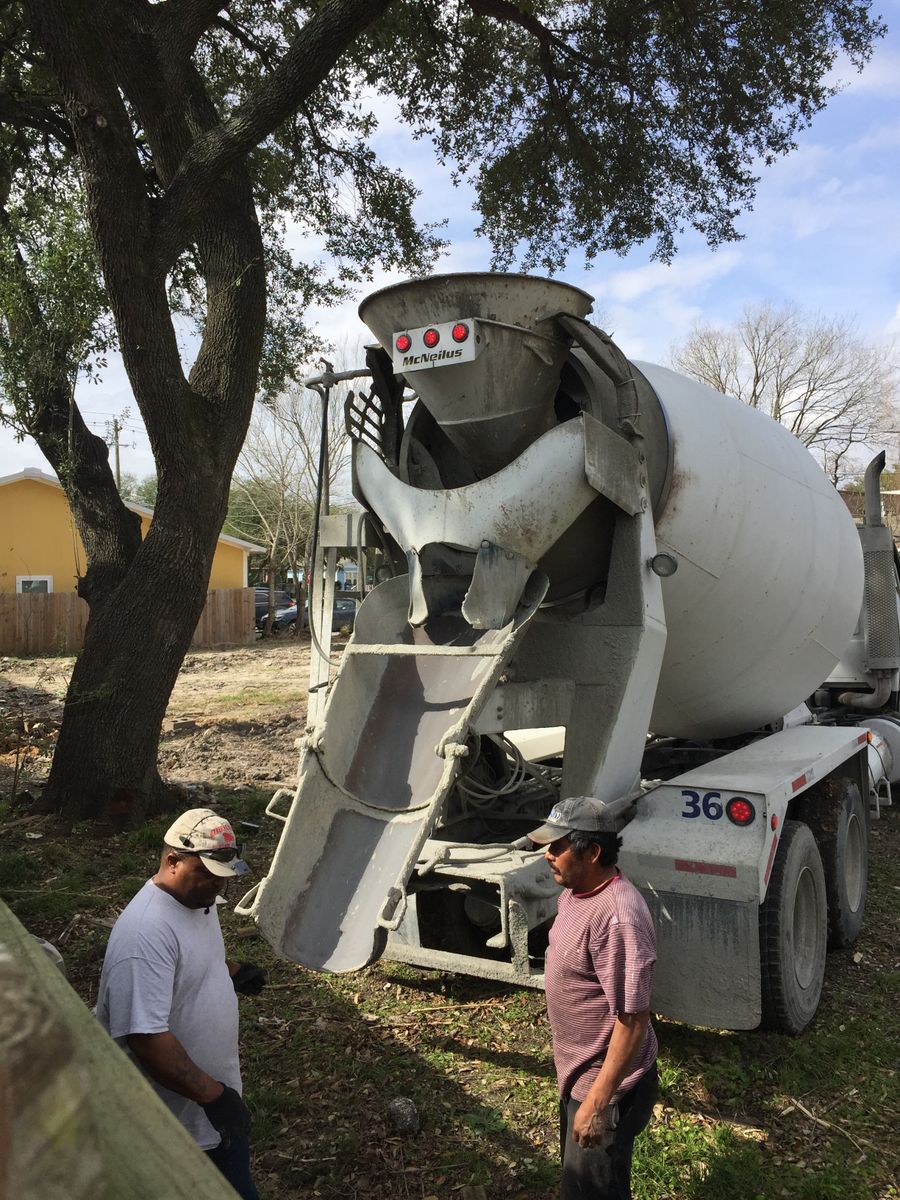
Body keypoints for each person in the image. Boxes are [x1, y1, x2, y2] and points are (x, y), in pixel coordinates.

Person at [96, 808, 267, 1200]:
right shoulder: (145, 935)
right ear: (173, 860)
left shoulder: (195, 899)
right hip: (175, 1127)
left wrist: (231, 971)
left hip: (207, 1118)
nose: (218, 887)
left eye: (223, 877)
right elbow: (147, 1037)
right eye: (208, 873)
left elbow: (187, 958)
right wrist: (214, 1097)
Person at [529, 795, 658, 1200]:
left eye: (558, 846)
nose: (547, 855)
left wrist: (598, 1103)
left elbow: (633, 1020)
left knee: (592, 1191)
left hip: (606, 1088)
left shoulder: (618, 916)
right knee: (579, 1185)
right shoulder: (575, 893)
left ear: (593, 851)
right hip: (579, 1075)